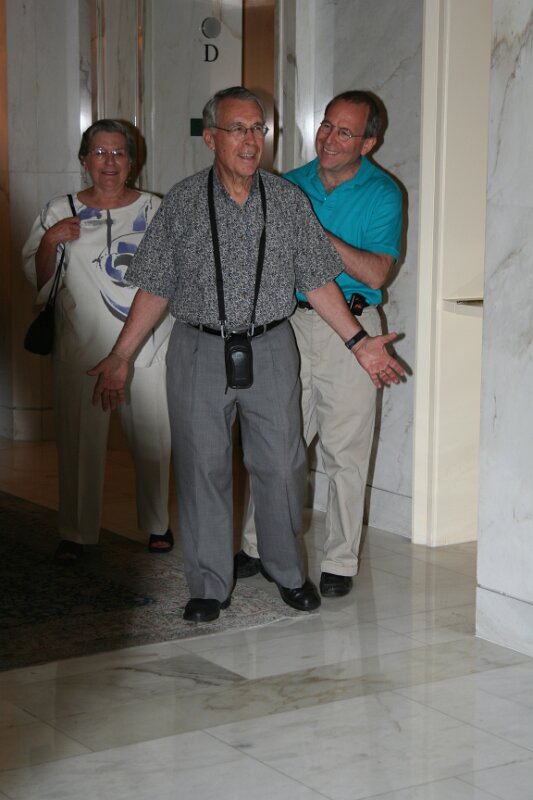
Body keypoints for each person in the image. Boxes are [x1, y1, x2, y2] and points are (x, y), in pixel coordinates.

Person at [88, 87, 404, 623]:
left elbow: (318, 281)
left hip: (274, 346)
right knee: (202, 468)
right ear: (210, 138)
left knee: (282, 466)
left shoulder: (287, 200)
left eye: (258, 129)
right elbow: (156, 285)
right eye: (238, 129)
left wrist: (358, 344)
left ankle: (287, 571)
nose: (251, 140)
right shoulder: (184, 202)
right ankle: (209, 585)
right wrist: (121, 355)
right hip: (198, 348)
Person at [236, 91, 403, 598]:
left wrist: (312, 232)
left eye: (344, 132)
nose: (329, 138)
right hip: (287, 322)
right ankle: (255, 544)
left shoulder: (384, 193)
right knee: (276, 442)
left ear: (369, 142)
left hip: (352, 326)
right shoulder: (287, 183)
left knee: (345, 451)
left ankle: (340, 561)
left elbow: (376, 272)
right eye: (327, 125)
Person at [22, 119, 174, 564]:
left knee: (153, 440)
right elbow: (38, 281)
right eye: (100, 152)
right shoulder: (59, 210)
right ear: (84, 159)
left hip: (146, 346)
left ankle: (158, 523)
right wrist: (50, 241)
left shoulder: (156, 209)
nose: (109, 162)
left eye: (118, 152)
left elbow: (174, 274)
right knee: (79, 443)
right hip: (82, 348)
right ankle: (75, 531)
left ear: (132, 160)